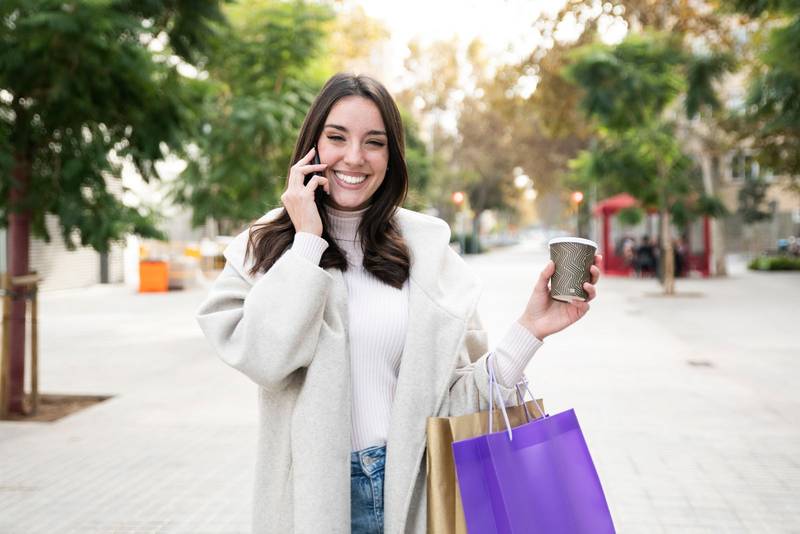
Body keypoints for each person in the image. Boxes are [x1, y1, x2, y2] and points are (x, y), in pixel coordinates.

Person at [195, 73, 601, 534]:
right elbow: (265, 359)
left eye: (374, 142)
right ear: (311, 147)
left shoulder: (426, 251)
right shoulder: (265, 246)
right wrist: (307, 239)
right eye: (336, 137)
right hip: (312, 502)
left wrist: (531, 329)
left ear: (391, 158)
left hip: (416, 491)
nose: (354, 157)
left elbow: (455, 401)